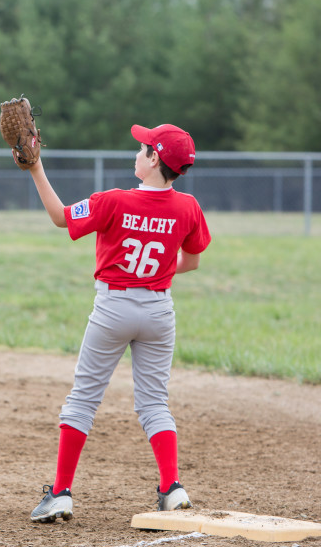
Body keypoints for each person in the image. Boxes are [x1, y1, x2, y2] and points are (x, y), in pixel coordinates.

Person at [24, 123, 211, 523]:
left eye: (144, 147)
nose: (138, 151)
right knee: (154, 403)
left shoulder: (113, 201)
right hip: (160, 312)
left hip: (113, 308)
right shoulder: (188, 207)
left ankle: (60, 493)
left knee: (83, 400)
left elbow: (60, 218)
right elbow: (192, 261)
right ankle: (172, 488)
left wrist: (36, 167)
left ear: (155, 159)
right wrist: (154, 273)